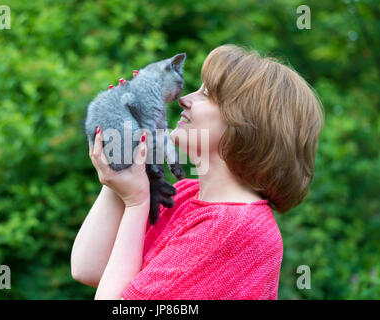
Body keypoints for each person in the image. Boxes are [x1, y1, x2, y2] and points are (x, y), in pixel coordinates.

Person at [70, 44, 325, 300]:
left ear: (249, 124)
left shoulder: (234, 228)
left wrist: (136, 202)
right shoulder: (184, 195)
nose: (184, 99)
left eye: (207, 94)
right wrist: (124, 157)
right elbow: (90, 268)